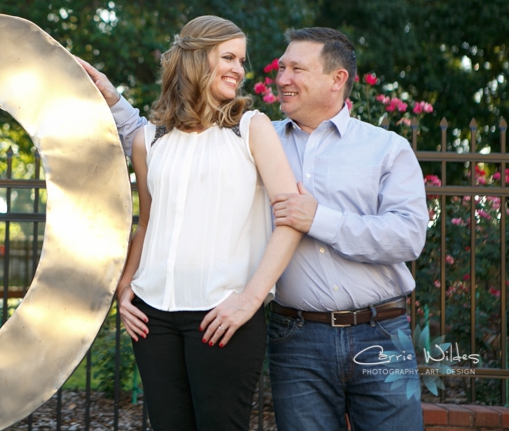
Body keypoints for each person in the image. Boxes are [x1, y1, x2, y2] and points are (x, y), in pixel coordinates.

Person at [79, 26, 428, 431]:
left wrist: (315, 220)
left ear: (338, 79)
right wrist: (112, 99)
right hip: (297, 332)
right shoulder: (251, 132)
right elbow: (161, 151)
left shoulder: (384, 148)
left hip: (379, 330)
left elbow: (408, 237)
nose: (279, 79)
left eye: (296, 69)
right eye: (280, 68)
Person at [101, 15, 304, 431]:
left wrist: (250, 299)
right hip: (151, 318)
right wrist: (125, 288)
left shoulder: (252, 128)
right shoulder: (149, 140)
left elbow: (291, 221)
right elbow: (148, 221)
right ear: (195, 58)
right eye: (228, 56)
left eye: (242, 61)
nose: (239, 69)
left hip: (223, 315)